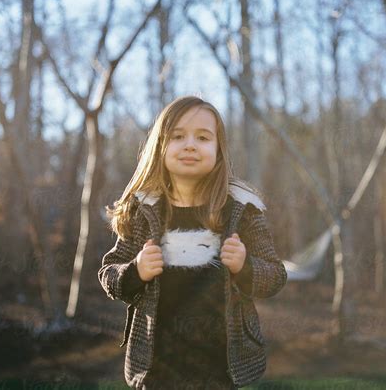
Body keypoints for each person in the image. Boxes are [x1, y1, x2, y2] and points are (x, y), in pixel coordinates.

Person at [98, 95, 287, 389]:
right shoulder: (143, 210)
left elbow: (275, 276)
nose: (190, 145)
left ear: (218, 150)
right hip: (158, 367)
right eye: (178, 136)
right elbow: (109, 273)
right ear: (160, 146)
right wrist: (136, 270)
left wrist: (245, 266)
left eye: (203, 137)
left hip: (220, 370)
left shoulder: (241, 209)